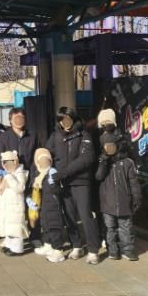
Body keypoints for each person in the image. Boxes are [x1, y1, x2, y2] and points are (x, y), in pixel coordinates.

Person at [46, 107, 100, 265]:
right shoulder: (55, 136)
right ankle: (76, 245)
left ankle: (93, 250)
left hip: (81, 182)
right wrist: (48, 168)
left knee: (85, 216)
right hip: (64, 184)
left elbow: (87, 158)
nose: (66, 122)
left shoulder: (84, 135)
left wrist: (63, 173)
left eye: (68, 119)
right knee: (68, 216)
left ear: (73, 119)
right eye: (62, 119)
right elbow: (47, 154)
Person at [95, 109, 142, 261]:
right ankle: (113, 251)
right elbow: (98, 176)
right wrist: (103, 160)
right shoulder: (102, 160)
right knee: (110, 228)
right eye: (103, 124)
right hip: (107, 201)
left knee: (126, 227)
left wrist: (136, 197)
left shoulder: (127, 162)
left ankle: (128, 250)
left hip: (124, 200)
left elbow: (133, 182)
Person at [30, 148, 66, 263]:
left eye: (46, 160)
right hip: (44, 205)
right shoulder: (38, 175)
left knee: (54, 226)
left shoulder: (52, 172)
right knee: (45, 225)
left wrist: (53, 183)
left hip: (53, 204)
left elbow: (59, 190)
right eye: (41, 160)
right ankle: (48, 245)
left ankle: (58, 250)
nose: (44, 162)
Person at [0, 150, 28, 256]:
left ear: (15, 162)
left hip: (15, 205)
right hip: (5, 205)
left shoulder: (20, 173)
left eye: (8, 162)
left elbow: (20, 188)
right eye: (4, 163)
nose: (6, 165)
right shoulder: (5, 172)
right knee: (7, 227)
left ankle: (17, 249)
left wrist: (8, 177)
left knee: (15, 228)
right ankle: (9, 245)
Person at [0, 108, 37, 173]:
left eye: (21, 118)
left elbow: (38, 153)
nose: (19, 120)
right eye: (16, 118)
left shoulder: (32, 136)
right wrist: (2, 170)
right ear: (10, 120)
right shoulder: (4, 136)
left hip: (29, 173)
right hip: (10, 173)